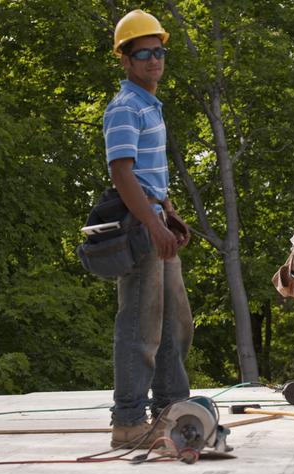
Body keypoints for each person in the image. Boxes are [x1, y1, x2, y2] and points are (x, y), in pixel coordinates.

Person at [104, 10, 193, 447]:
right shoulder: (125, 107)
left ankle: (171, 411)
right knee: (140, 326)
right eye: (143, 53)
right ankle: (128, 422)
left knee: (175, 324)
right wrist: (152, 226)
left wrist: (169, 216)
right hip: (140, 226)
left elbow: (149, 177)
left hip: (155, 217)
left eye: (158, 51)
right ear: (125, 59)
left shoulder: (149, 105)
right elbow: (123, 175)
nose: (154, 60)